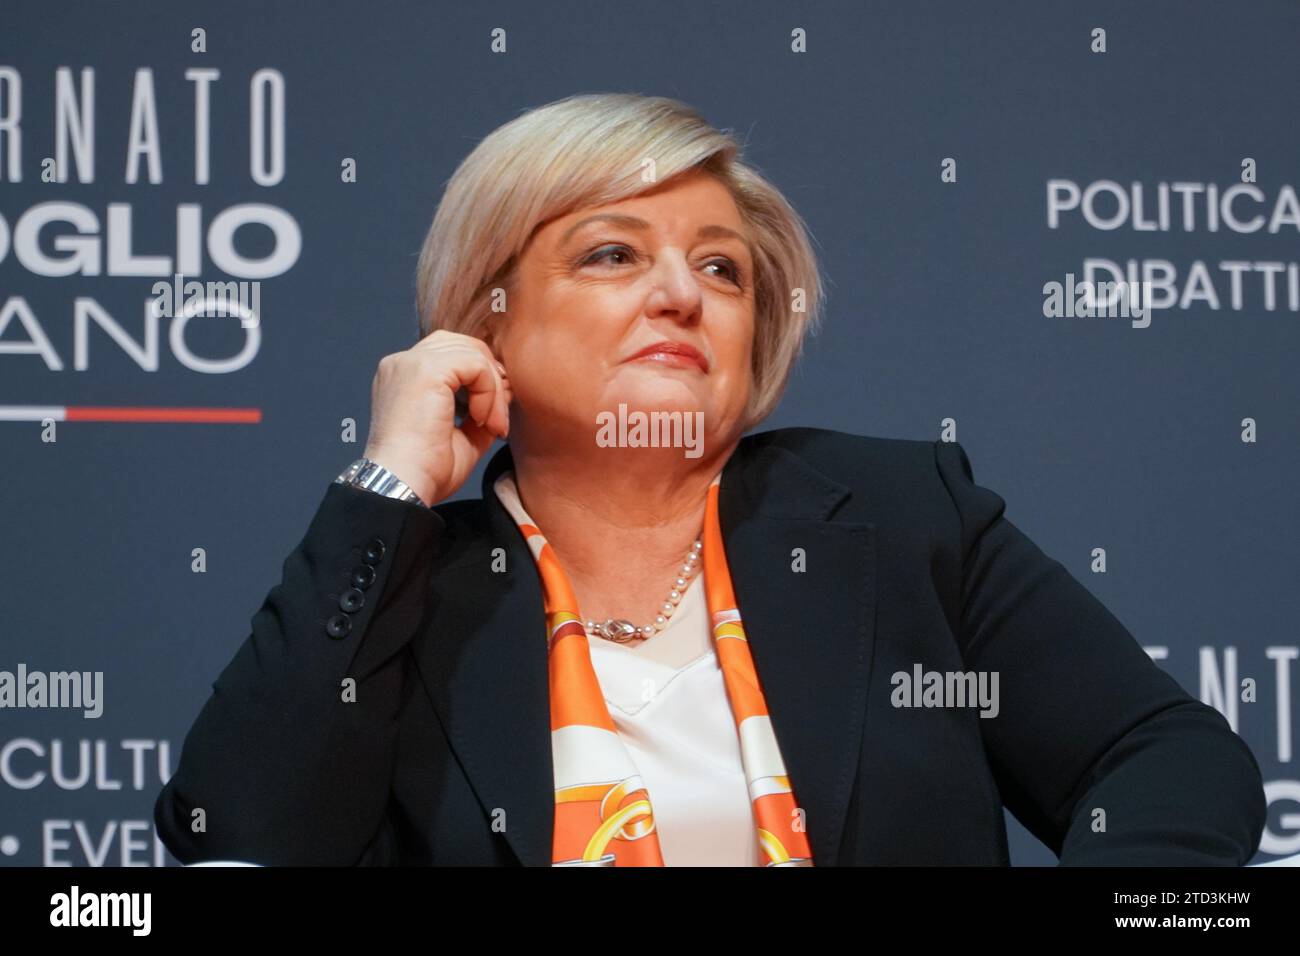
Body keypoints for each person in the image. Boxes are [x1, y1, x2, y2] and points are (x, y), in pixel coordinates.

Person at [154, 92, 1266, 866]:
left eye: (721, 267)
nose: (682, 293)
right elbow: (241, 834)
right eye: (612, 252)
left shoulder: (897, 518)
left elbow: (1162, 757)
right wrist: (388, 481)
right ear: (482, 315)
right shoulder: (407, 591)